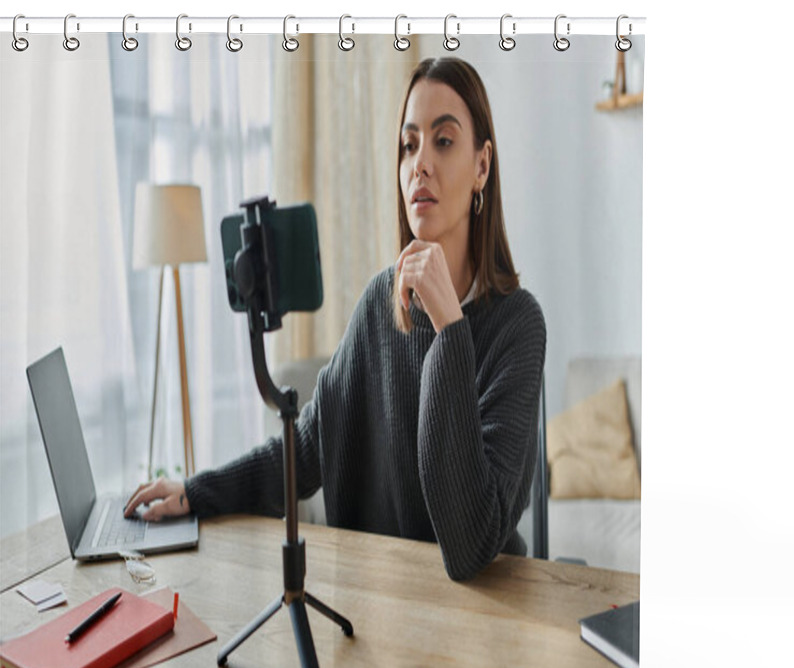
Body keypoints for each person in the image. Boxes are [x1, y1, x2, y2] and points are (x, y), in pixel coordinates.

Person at [125, 57, 546, 582]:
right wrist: (196, 490)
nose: (420, 164)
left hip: (484, 615)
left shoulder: (518, 325)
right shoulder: (378, 306)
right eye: (408, 145)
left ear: (482, 166)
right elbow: (306, 448)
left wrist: (450, 330)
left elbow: (468, 545)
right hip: (384, 604)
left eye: (443, 141)